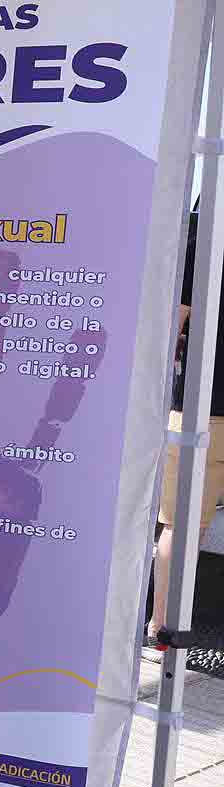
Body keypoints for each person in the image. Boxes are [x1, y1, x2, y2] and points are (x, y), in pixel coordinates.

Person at [152, 206, 224, 650]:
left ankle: (163, 626)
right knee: (184, 524)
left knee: (184, 523)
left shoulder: (208, 215)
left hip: (203, 401)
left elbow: (179, 311)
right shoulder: (207, 217)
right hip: (202, 403)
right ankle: (163, 624)